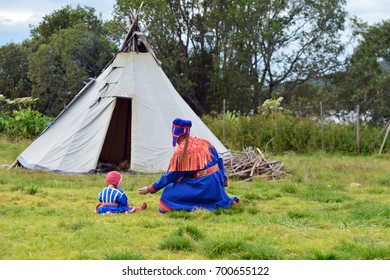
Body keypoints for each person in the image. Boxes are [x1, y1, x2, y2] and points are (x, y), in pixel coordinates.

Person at [138, 118, 239, 212]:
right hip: (216, 184)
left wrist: (150, 188)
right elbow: (219, 160)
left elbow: (171, 176)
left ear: (176, 134)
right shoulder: (204, 142)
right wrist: (223, 181)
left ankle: (201, 204)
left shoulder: (182, 151)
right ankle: (219, 201)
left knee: (167, 196)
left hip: (203, 186)